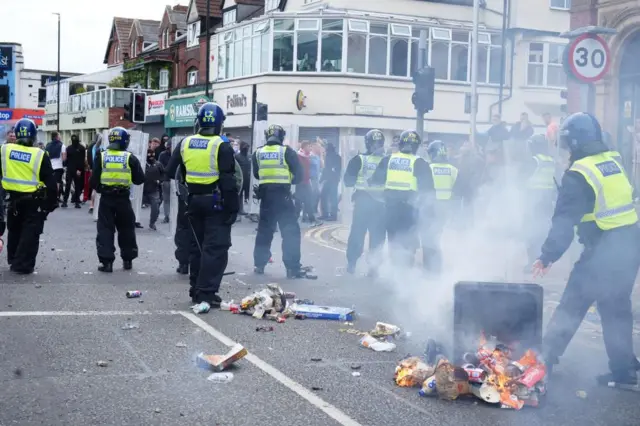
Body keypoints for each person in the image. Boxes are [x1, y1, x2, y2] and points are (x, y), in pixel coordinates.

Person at [532, 112, 640, 388]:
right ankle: (624, 370)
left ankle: (543, 360)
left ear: (576, 142)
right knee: (616, 308)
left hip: (603, 249)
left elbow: (564, 221)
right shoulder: (612, 159)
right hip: (629, 246)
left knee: (573, 301)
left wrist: (547, 256)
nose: (565, 151)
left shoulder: (579, 174)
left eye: (567, 145)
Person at [165, 102, 238, 306]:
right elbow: (228, 181)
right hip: (215, 204)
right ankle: (206, 292)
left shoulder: (186, 142)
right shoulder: (221, 145)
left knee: (196, 247)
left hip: (193, 202)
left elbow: (171, 172)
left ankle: (195, 289)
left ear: (198, 121)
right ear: (220, 124)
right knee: (215, 249)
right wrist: (233, 208)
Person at [252, 124, 311, 279]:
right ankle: (292, 268)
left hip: (266, 198)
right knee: (290, 231)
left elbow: (257, 175)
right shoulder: (287, 152)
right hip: (283, 198)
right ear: (281, 137)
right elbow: (299, 176)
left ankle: (259, 264)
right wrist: (286, 179)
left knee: (264, 231)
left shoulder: (258, 153)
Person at [0, 118, 58, 273]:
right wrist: (51, 204)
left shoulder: (5, 150)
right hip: (34, 201)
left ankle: (13, 258)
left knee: (14, 229)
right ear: (33, 136)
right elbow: (51, 183)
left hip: (13, 200)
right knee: (30, 233)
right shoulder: (39, 154)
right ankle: (22, 265)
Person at [370, 129, 434, 267]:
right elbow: (428, 189)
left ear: (399, 144)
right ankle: (407, 269)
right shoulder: (420, 163)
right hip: (410, 209)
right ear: (417, 146)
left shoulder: (388, 159)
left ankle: (396, 270)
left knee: (393, 240)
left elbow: (375, 180)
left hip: (390, 208)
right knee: (409, 239)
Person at [90, 127, 145, 272]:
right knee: (126, 229)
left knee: (105, 230)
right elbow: (140, 179)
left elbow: (93, 180)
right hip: (123, 198)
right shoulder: (130, 157)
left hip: (107, 198)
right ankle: (128, 260)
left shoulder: (101, 156)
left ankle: (106, 262)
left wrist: (102, 188)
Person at [343, 129, 386, 275]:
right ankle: (374, 268)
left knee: (357, 233)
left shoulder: (359, 159)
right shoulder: (387, 160)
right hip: (381, 203)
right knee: (378, 236)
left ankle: (352, 264)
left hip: (363, 201)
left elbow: (348, 181)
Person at [423, 140, 459, 273]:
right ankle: (437, 267)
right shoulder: (453, 170)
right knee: (438, 237)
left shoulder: (427, 168)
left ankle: (428, 268)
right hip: (445, 207)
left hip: (430, 207)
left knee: (427, 237)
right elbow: (458, 190)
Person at [522, 134, 556, 268]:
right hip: (546, 200)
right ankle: (543, 259)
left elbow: (521, 178)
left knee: (531, 231)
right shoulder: (551, 160)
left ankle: (532, 261)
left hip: (534, 200)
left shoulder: (535, 160)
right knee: (543, 231)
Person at [62, 134, 86, 208]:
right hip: (70, 169)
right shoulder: (69, 148)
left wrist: (80, 169)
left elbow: (82, 160)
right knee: (69, 185)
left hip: (76, 169)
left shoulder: (81, 148)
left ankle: (76, 201)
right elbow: (67, 159)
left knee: (77, 186)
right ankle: (66, 201)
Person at [319, 143, 342, 221]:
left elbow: (327, 169)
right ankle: (330, 215)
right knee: (330, 197)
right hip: (333, 180)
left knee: (327, 197)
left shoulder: (331, 156)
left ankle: (329, 215)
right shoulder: (336, 156)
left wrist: (321, 179)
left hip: (331, 180)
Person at [143, 148, 164, 230]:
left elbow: (163, 173)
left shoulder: (158, 164)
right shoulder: (141, 163)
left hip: (154, 189)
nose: (151, 156)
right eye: (149, 154)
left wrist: (160, 181)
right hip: (142, 189)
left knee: (155, 207)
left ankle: (152, 222)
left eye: (153, 154)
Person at [45, 131, 66, 201]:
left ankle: (49, 196)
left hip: (50, 166)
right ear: (57, 137)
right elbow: (64, 158)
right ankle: (56, 197)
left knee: (50, 182)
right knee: (57, 182)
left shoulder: (47, 145)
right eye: (59, 135)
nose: (60, 137)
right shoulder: (62, 145)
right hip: (58, 166)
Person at [158, 139, 173, 223]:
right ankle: (167, 216)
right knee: (167, 199)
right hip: (167, 179)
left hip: (169, 179)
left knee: (167, 200)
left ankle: (169, 216)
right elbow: (160, 167)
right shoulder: (165, 155)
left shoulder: (162, 154)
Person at [235, 141, 251, 216]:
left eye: (247, 148)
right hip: (240, 179)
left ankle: (242, 209)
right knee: (239, 195)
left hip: (247, 179)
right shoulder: (237, 156)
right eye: (245, 147)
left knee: (246, 194)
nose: (246, 149)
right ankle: (238, 210)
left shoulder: (248, 157)